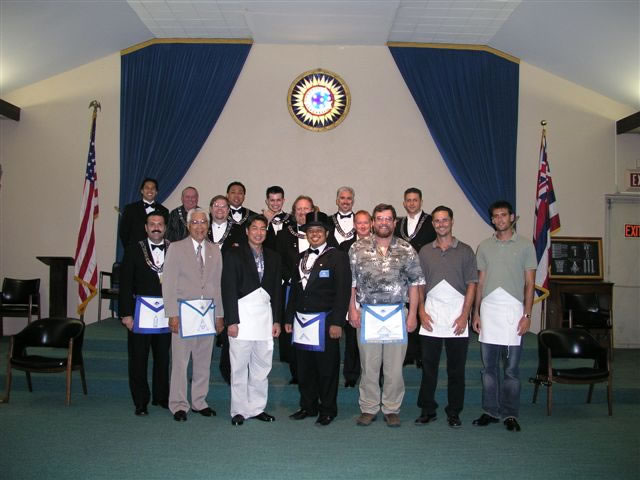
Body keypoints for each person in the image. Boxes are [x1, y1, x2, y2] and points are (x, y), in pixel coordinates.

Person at [349, 204, 425, 427]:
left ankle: (391, 408)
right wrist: (352, 309)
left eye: (388, 219)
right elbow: (351, 282)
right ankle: (369, 407)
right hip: (367, 313)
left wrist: (413, 314)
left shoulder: (406, 249)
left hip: (397, 314)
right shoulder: (357, 248)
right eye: (380, 219)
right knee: (369, 365)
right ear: (373, 222)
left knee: (394, 367)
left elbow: (415, 283)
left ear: (394, 222)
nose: (384, 223)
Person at [472, 200, 536, 432]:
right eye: (495, 216)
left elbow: (530, 284)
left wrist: (527, 314)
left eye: (503, 215)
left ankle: (510, 414)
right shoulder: (484, 246)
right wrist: (476, 313)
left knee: (511, 370)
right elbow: (480, 283)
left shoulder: (526, 245)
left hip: (513, 311)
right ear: (492, 220)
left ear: (512, 217)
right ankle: (490, 410)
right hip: (489, 311)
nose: (499, 219)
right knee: (489, 368)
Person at [285, 211, 351, 426]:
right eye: (310, 231)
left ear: (327, 233)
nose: (314, 234)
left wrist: (337, 322)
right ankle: (308, 406)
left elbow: (343, 292)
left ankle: (328, 409)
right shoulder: (300, 257)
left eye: (318, 230)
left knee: (327, 369)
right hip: (302, 322)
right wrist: (288, 318)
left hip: (325, 322)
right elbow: (295, 291)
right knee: (305, 368)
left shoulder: (338, 257)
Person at [415, 206, 477, 428]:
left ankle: (454, 412)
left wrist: (465, 315)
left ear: (452, 222)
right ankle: (427, 410)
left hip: (457, 315)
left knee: (456, 369)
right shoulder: (424, 251)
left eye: (445, 220)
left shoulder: (466, 251)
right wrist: (421, 311)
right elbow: (419, 284)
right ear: (433, 224)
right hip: (431, 313)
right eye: (437, 221)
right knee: (429, 367)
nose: (441, 224)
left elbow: (472, 284)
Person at [162, 207, 224, 422]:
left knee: (203, 360)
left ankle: (199, 401)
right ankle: (178, 404)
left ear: (208, 225)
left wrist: (219, 315)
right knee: (180, 362)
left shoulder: (215, 250)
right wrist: (172, 313)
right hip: (183, 313)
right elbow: (168, 283)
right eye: (195, 223)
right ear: (188, 226)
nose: (199, 227)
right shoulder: (176, 248)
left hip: (207, 313)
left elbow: (218, 285)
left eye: (203, 222)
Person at [221, 215, 282, 426]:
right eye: (254, 228)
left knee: (261, 366)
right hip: (242, 317)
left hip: (265, 317)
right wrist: (231, 320)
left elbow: (277, 291)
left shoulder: (274, 257)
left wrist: (277, 320)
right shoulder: (233, 254)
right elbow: (228, 288)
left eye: (263, 228)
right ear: (247, 231)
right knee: (239, 367)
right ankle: (238, 410)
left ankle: (257, 408)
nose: (258, 232)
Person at [119, 212, 171, 416]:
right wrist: (126, 314)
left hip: (166, 313)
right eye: (152, 224)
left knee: (163, 358)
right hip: (140, 313)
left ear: (165, 228)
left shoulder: (174, 249)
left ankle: (161, 396)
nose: (156, 227)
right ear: (146, 228)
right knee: (138, 359)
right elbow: (125, 284)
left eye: (160, 224)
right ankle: (140, 401)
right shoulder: (133, 250)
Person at [275, 195, 315, 384]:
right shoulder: (284, 234)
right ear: (293, 212)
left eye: (306, 209)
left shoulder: (321, 233)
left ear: (312, 211)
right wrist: (292, 278)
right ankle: (296, 371)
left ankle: (311, 370)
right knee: (292, 328)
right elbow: (279, 261)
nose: (302, 212)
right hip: (292, 289)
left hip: (315, 292)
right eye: (299, 209)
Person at [395, 187, 436, 368]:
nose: (411, 203)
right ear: (404, 203)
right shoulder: (399, 223)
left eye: (415, 200)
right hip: (403, 275)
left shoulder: (431, 222)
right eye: (408, 200)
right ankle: (408, 353)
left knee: (422, 312)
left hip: (424, 273)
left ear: (421, 202)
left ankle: (422, 355)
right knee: (406, 312)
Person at [207, 194, 246, 385]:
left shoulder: (239, 231)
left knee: (228, 326)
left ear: (229, 210)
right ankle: (200, 371)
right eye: (216, 205)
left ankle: (228, 369)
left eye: (224, 206)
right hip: (204, 286)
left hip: (229, 286)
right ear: (210, 209)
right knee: (203, 329)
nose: (220, 209)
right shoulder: (201, 228)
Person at [339, 210, 372, 388]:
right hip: (352, 298)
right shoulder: (345, 246)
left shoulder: (380, 244)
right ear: (354, 225)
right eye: (359, 222)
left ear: (371, 224)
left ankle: (373, 376)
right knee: (352, 340)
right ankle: (351, 375)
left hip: (374, 300)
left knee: (372, 341)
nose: (363, 226)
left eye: (366, 222)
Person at [119, 178, 169, 248]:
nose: (150, 190)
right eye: (147, 188)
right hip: (135, 249)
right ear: (142, 191)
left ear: (156, 192)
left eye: (153, 188)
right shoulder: (130, 209)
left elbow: (165, 233)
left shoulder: (164, 211)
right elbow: (123, 232)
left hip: (156, 250)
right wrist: (130, 249)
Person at [263, 186, 290, 251]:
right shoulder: (259, 219)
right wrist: (267, 222)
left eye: (278, 200)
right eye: (272, 200)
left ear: (283, 201)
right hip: (266, 256)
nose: (275, 204)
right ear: (267, 201)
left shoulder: (292, 219)